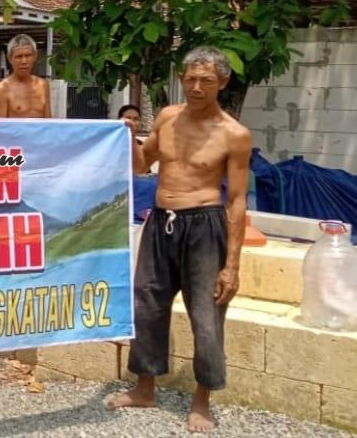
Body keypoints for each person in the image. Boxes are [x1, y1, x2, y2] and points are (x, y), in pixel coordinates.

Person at [105, 46, 252, 433]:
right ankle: (144, 388)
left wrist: (232, 265)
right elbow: (141, 166)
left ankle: (202, 400)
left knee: (206, 315)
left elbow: (237, 200)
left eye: (206, 80)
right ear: (182, 79)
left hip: (204, 226)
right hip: (159, 222)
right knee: (147, 304)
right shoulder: (168, 118)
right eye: (190, 78)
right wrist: (130, 137)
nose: (197, 87)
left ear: (222, 82)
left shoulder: (234, 134)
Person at [0, 34, 52, 118]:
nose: (24, 61)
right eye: (19, 57)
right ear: (10, 59)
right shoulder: (2, 89)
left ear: (35, 56)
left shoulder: (43, 85)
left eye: (28, 56)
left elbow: (49, 122)